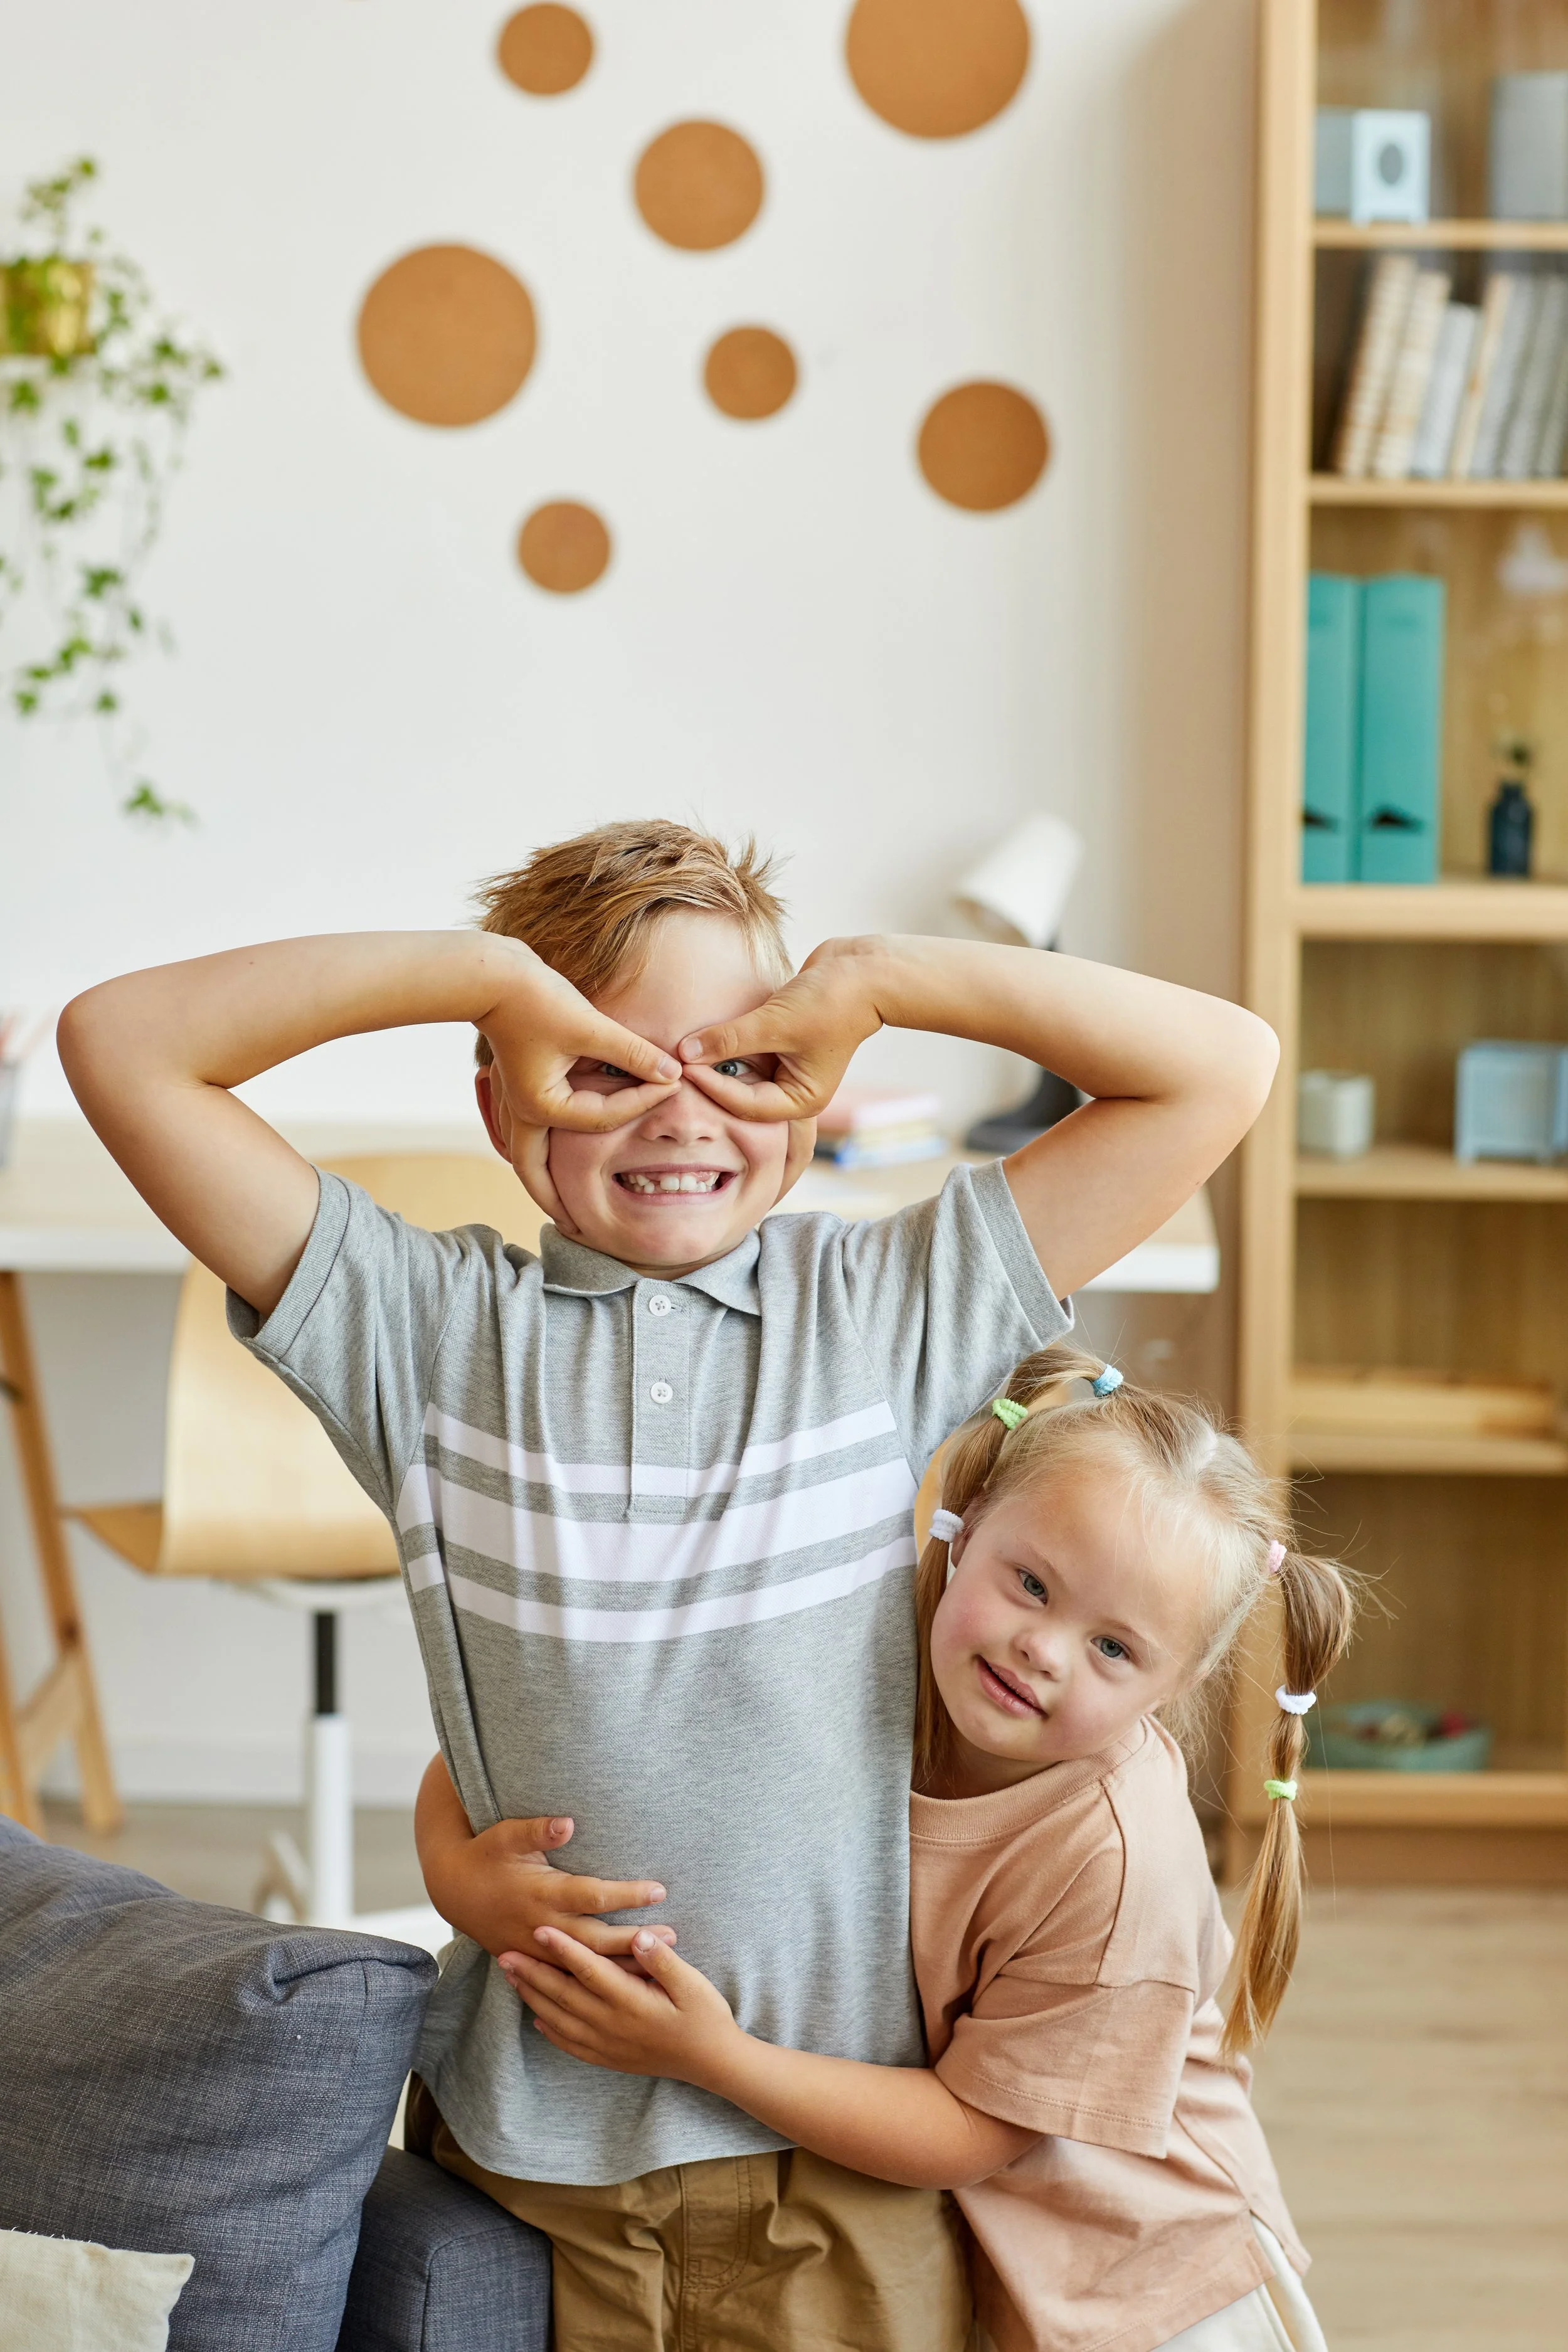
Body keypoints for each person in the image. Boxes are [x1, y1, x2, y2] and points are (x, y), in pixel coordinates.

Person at [57, 822, 1278, 2352]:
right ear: (504, 1098)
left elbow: (1219, 1065)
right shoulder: (418, 1334)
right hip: (526, 2168)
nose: (677, 1109)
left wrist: (877, 980)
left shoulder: (884, 1308)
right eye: (611, 1066)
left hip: (837, 2172)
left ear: (803, 1086)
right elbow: (121, 1046)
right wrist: (480, 980)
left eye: (737, 1065)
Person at [489, 1340, 1350, 2352]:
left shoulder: (1120, 1863)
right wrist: (463, 1874)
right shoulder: (855, 1653)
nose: (1044, 1647)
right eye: (1030, 1583)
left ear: (1170, 1692)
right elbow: (552, 1733)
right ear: (963, 1528)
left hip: (1152, 2292)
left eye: (1113, 1647)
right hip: (983, 2258)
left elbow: (971, 2132)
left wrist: (715, 2057)